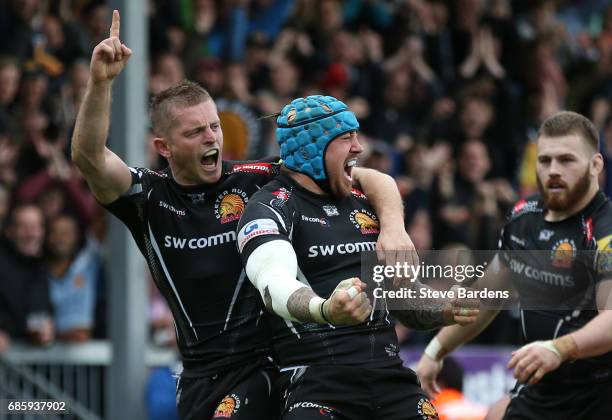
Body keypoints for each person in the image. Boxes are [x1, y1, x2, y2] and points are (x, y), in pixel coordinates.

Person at [71, 10, 413, 420]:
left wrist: (393, 228)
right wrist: (101, 83)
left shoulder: (257, 178)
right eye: (195, 132)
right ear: (164, 147)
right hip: (199, 373)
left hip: (265, 366)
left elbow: (368, 176)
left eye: (214, 126)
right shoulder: (149, 197)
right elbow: (89, 158)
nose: (211, 137)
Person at [237, 95, 479, 419]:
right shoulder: (270, 207)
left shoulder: (366, 202)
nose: (359, 148)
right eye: (346, 138)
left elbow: (404, 304)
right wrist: (325, 309)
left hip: (390, 378)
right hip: (316, 383)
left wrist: (444, 307)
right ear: (311, 148)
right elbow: (273, 285)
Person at [416, 111, 612, 419]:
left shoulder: (605, 229)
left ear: (595, 165)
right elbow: (485, 297)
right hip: (542, 389)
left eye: (567, 160)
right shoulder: (523, 219)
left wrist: (558, 349)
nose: (553, 171)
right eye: (545, 160)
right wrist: (434, 351)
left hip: (600, 395)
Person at [0, 203, 54, 351]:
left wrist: (47, 330)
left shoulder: (45, 264)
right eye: (24, 227)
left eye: (36, 227)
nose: (31, 234)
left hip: (35, 365)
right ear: (10, 231)